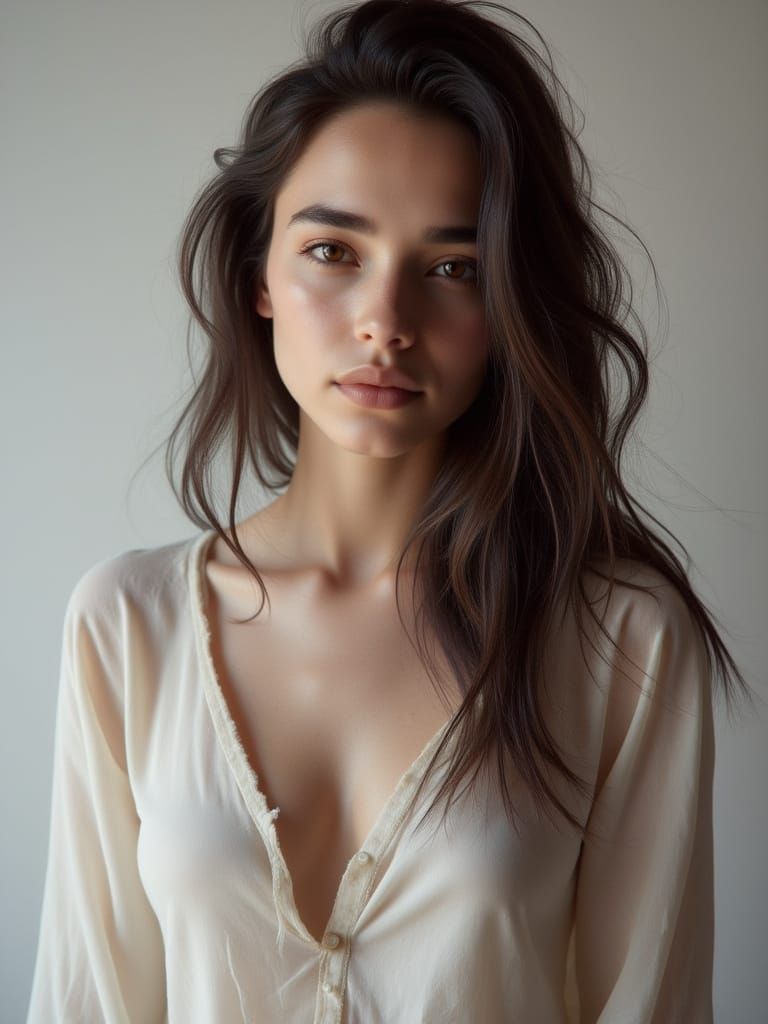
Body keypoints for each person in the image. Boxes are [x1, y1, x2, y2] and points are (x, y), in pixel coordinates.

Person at [26, 1, 754, 1021]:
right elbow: (86, 1001)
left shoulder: (620, 642)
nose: (386, 324)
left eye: (453, 269)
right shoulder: (126, 624)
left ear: (509, 306)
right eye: (334, 251)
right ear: (261, 276)